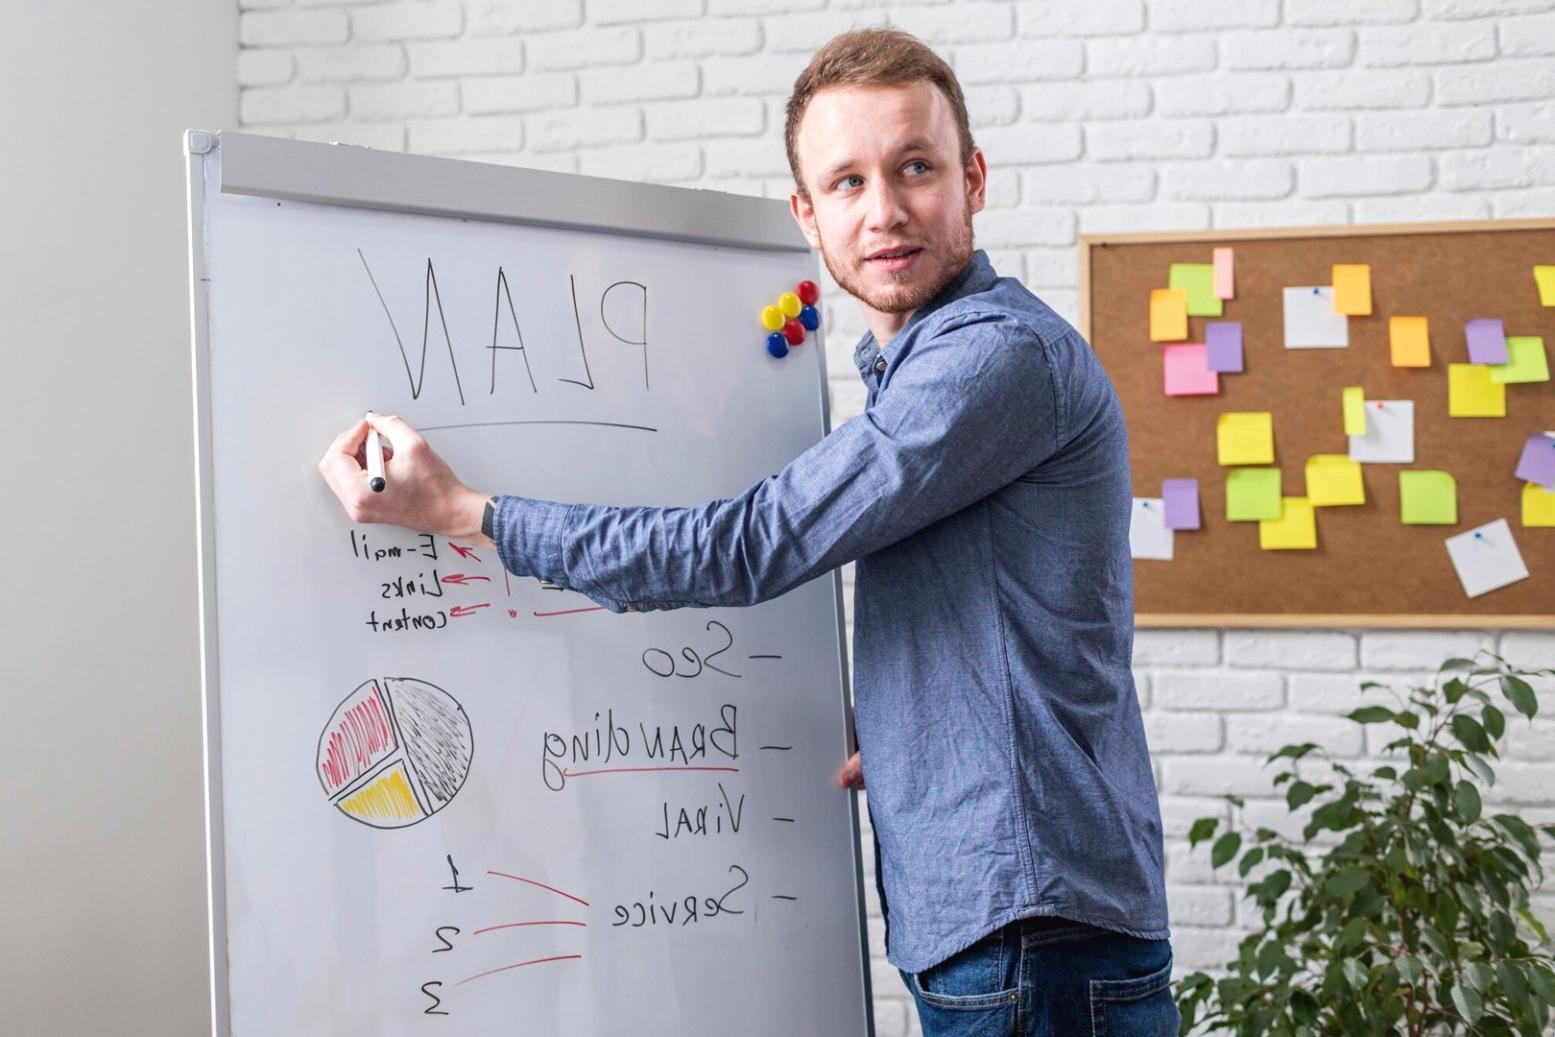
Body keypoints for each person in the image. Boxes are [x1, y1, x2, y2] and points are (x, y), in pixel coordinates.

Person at [320, 27, 1175, 1037]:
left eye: (915, 168)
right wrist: (910, 728)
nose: (886, 209)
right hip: (1017, 927)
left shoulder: (991, 359)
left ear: (972, 178)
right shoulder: (929, 370)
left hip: (1033, 935)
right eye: (847, 183)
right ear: (807, 218)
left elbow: (751, 541)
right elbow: (994, 604)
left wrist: (466, 514)